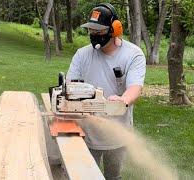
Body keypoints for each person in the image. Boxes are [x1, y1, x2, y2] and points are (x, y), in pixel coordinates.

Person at [66, 3, 146, 180]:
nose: (94, 35)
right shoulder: (82, 54)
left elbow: (135, 87)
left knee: (113, 177)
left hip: (116, 133)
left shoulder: (133, 54)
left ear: (114, 29)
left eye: (99, 30)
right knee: (84, 176)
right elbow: (70, 85)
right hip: (85, 132)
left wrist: (123, 100)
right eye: (91, 30)